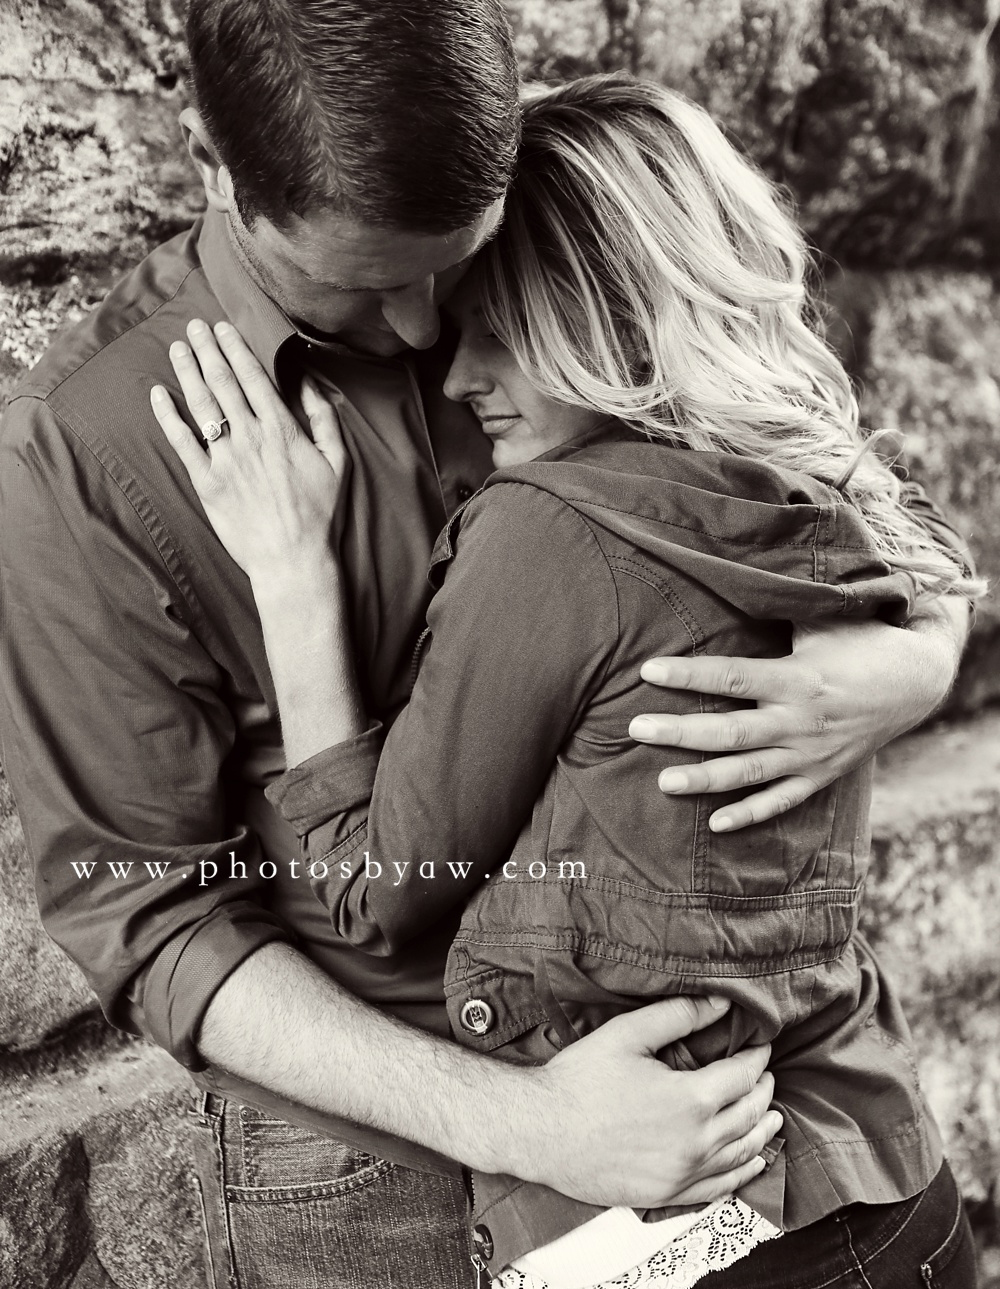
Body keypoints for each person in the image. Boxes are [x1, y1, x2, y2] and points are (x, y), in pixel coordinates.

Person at [0, 0, 971, 1283]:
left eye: (459, 272)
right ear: (213, 166)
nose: (420, 333)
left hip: (764, 1101)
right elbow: (157, 923)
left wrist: (909, 661)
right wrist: (534, 1124)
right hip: (379, 1167)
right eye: (360, 283)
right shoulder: (80, 453)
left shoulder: (540, 203)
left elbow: (810, 456)